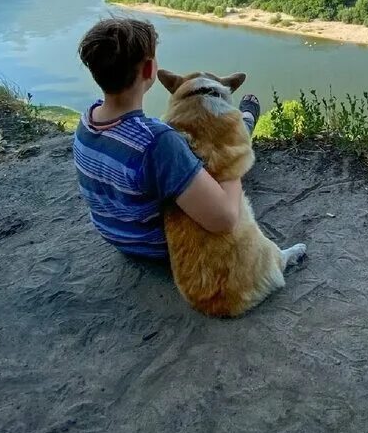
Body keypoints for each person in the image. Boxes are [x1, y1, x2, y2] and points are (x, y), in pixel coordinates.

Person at [72, 17, 260, 261]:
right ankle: (245, 120)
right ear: (150, 69)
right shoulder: (158, 142)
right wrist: (232, 161)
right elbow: (224, 220)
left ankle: (245, 119)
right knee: (223, 152)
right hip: (165, 247)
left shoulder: (87, 121)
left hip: (116, 236)